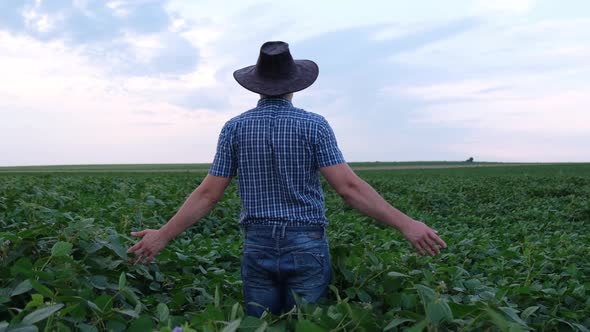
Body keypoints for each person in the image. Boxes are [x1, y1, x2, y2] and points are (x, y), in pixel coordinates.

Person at [127, 41, 447, 317]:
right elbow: (349, 188)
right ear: (295, 84)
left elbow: (208, 194)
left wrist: (163, 235)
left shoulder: (235, 128)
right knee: (306, 323)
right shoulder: (314, 126)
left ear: (256, 84)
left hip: (258, 244)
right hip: (306, 244)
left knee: (261, 324)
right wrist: (406, 223)